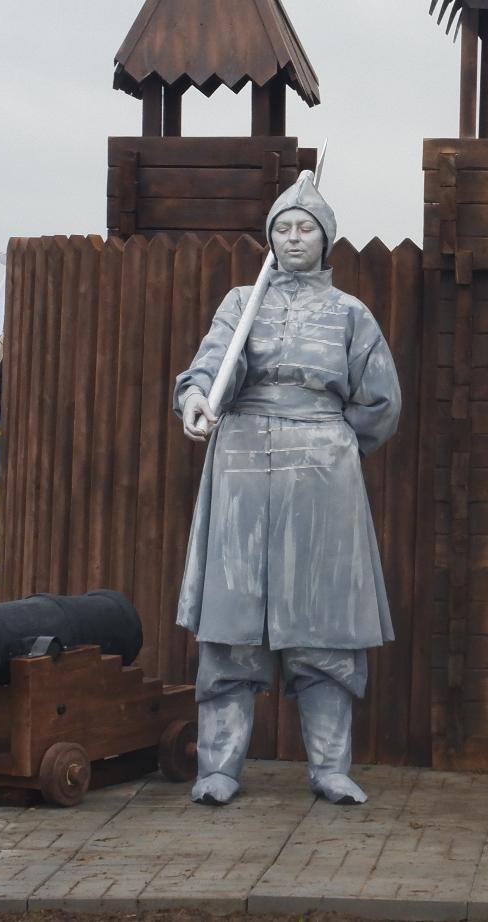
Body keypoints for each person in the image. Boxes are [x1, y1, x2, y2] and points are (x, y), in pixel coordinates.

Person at [174, 171, 400, 808]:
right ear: (269, 240)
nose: (294, 238)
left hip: (323, 473)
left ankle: (330, 768)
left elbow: (380, 400)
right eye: (283, 228)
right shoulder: (240, 302)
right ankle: (219, 768)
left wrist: (336, 442)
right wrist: (197, 399)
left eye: (306, 229)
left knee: (325, 619)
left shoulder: (350, 313)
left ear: (326, 241)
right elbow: (212, 362)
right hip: (241, 460)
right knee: (231, 617)